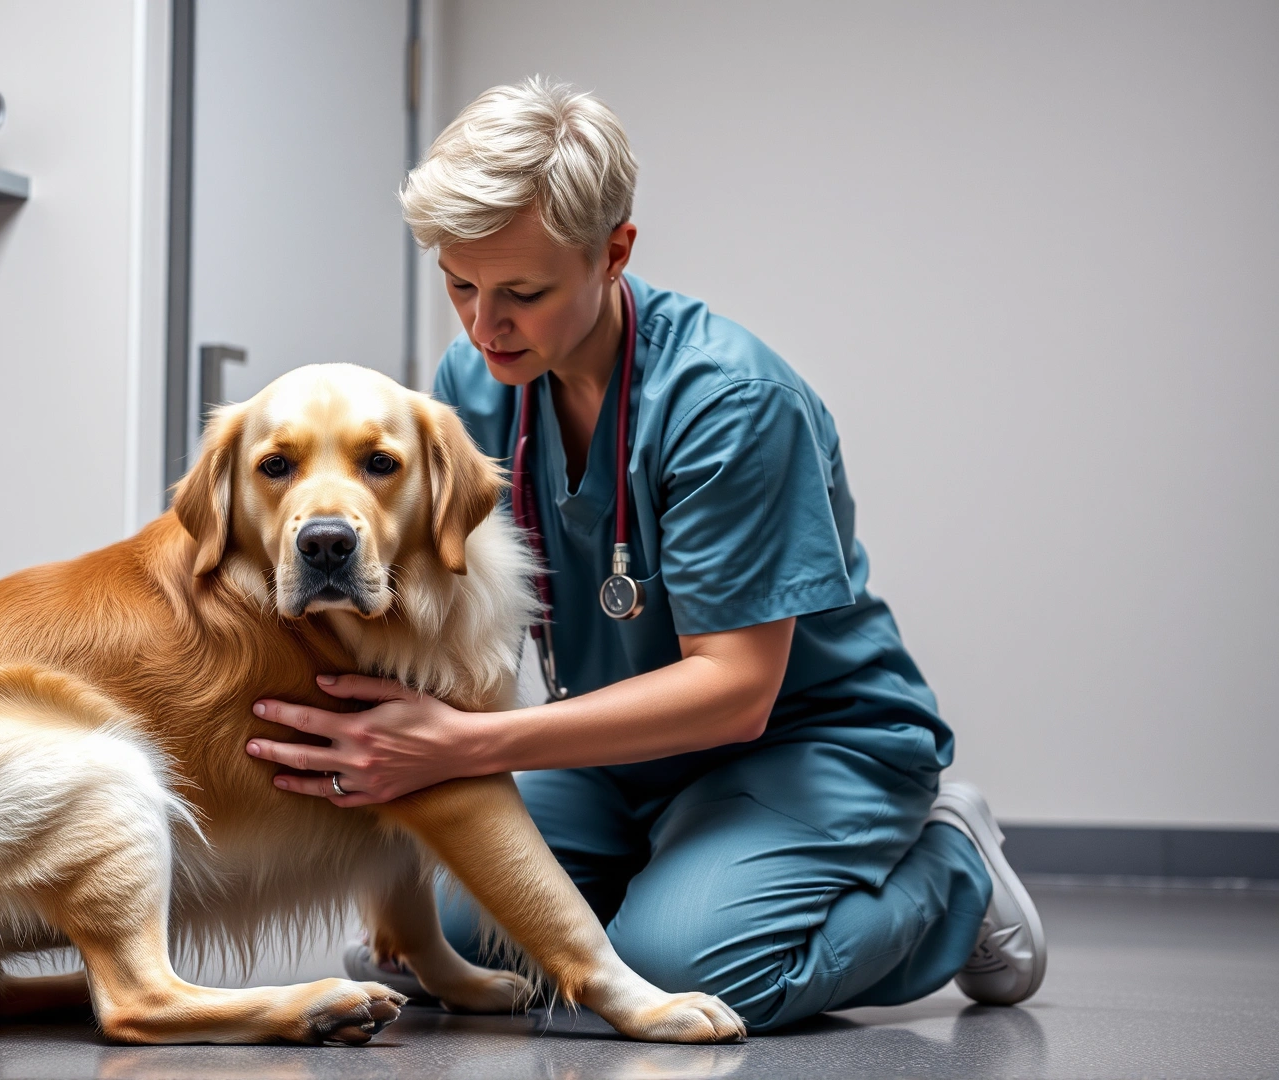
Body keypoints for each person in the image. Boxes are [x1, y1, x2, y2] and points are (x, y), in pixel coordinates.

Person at [245, 77, 1044, 1031]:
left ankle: (952, 874)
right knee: (467, 929)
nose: (481, 325)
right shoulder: (479, 381)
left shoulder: (731, 406)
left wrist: (465, 745)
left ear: (614, 251)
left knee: (676, 968)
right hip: (616, 752)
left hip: (808, 744)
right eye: (461, 283)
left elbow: (738, 691)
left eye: (523, 293)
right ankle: (677, 867)